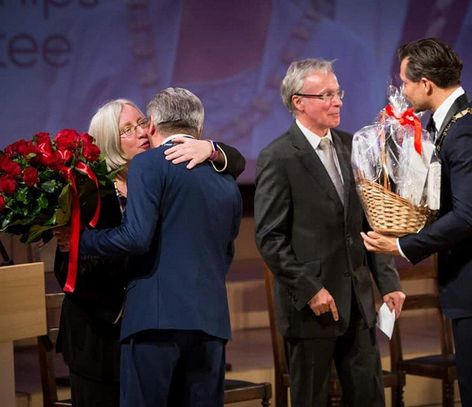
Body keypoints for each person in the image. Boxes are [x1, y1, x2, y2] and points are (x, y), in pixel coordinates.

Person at [361, 38, 472, 407]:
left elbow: (468, 216)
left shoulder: (469, 129)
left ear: (426, 84)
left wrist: (402, 245)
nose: (403, 90)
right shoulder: (454, 122)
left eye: (405, 82)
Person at [53, 98, 245, 407]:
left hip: (156, 325)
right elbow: (71, 270)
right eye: (127, 129)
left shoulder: (168, 174)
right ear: (107, 143)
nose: (142, 132)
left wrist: (212, 148)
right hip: (102, 337)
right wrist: (125, 306)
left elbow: (235, 162)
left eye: (143, 122)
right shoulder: (88, 191)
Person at [254, 58, 405, 407]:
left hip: (358, 303)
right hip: (312, 309)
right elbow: (270, 238)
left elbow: (370, 224)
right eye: (326, 94)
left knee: (369, 398)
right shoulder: (277, 157)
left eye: (338, 93)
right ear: (298, 101)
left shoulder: (353, 146)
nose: (337, 101)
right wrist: (311, 289)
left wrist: (389, 282)